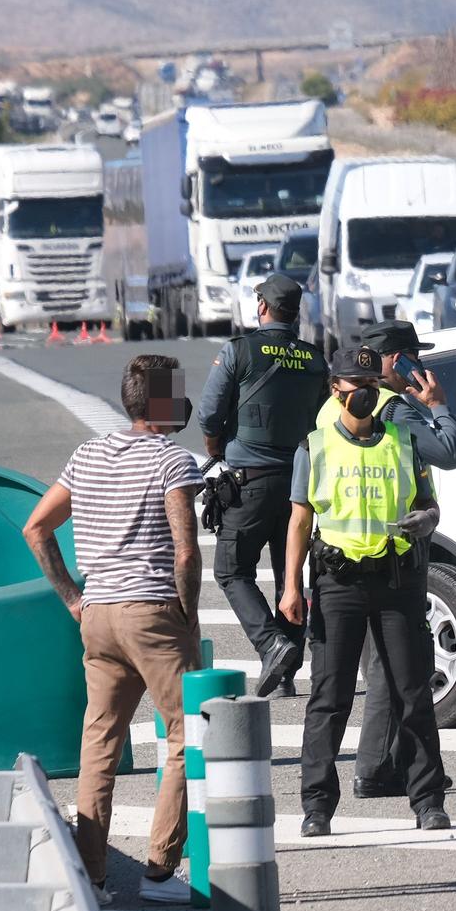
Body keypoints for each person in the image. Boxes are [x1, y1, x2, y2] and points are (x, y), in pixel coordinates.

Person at [20, 355, 205, 906]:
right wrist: (188, 613)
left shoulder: (87, 454)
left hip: (98, 615)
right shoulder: (172, 461)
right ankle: (158, 869)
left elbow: (36, 526)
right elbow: (187, 549)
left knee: (99, 743)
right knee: (185, 735)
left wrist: (74, 598)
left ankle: (93, 876)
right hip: (153, 611)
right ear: (162, 404)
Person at [280, 344, 449, 836]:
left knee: (412, 693)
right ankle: (316, 807)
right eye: (358, 388)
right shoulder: (314, 446)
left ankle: (428, 801)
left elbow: (430, 502)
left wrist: (427, 519)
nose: (367, 397)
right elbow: (299, 520)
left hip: (396, 580)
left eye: (373, 388)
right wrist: (291, 588)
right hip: (338, 583)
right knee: (330, 698)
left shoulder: (403, 440)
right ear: (337, 390)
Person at [196, 271, 328, 699]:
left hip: (250, 481)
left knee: (232, 570)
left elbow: (209, 414)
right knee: (291, 573)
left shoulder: (239, 350)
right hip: (301, 484)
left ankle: (273, 646)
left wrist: (215, 448)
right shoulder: (315, 358)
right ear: (296, 313)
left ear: (263, 307)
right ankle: (285, 672)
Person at [348, 319, 456, 799]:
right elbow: (449, 451)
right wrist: (438, 406)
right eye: (416, 357)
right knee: (396, 667)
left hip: (346, 548)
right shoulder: (396, 409)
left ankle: (389, 763)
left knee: (379, 666)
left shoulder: (341, 406)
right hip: (396, 552)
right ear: (398, 361)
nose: (422, 366)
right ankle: (375, 768)